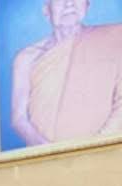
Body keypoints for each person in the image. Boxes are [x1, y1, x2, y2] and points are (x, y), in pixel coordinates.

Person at [11, 0, 122, 147]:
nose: (69, 3)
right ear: (46, 10)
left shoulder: (113, 39)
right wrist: (51, 151)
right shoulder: (27, 58)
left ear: (87, 5)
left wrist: (93, 149)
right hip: (45, 154)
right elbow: (19, 119)